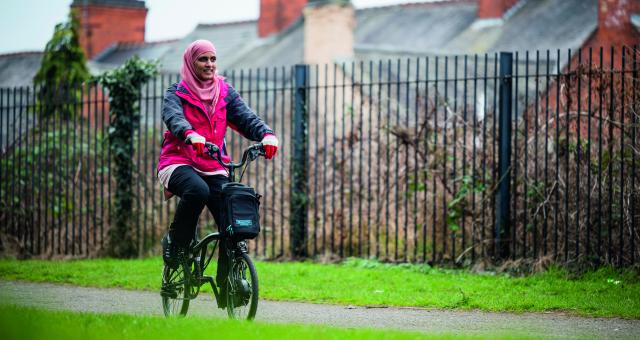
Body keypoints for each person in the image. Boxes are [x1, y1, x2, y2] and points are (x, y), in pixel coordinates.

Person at [157, 40, 277, 305]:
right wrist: (188, 133)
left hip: (213, 165)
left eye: (213, 59)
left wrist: (266, 135)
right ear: (191, 62)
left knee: (232, 220)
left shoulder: (224, 92)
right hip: (178, 161)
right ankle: (176, 245)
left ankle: (228, 288)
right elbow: (173, 116)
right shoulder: (176, 92)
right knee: (196, 191)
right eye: (203, 59)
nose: (209, 64)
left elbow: (246, 118)